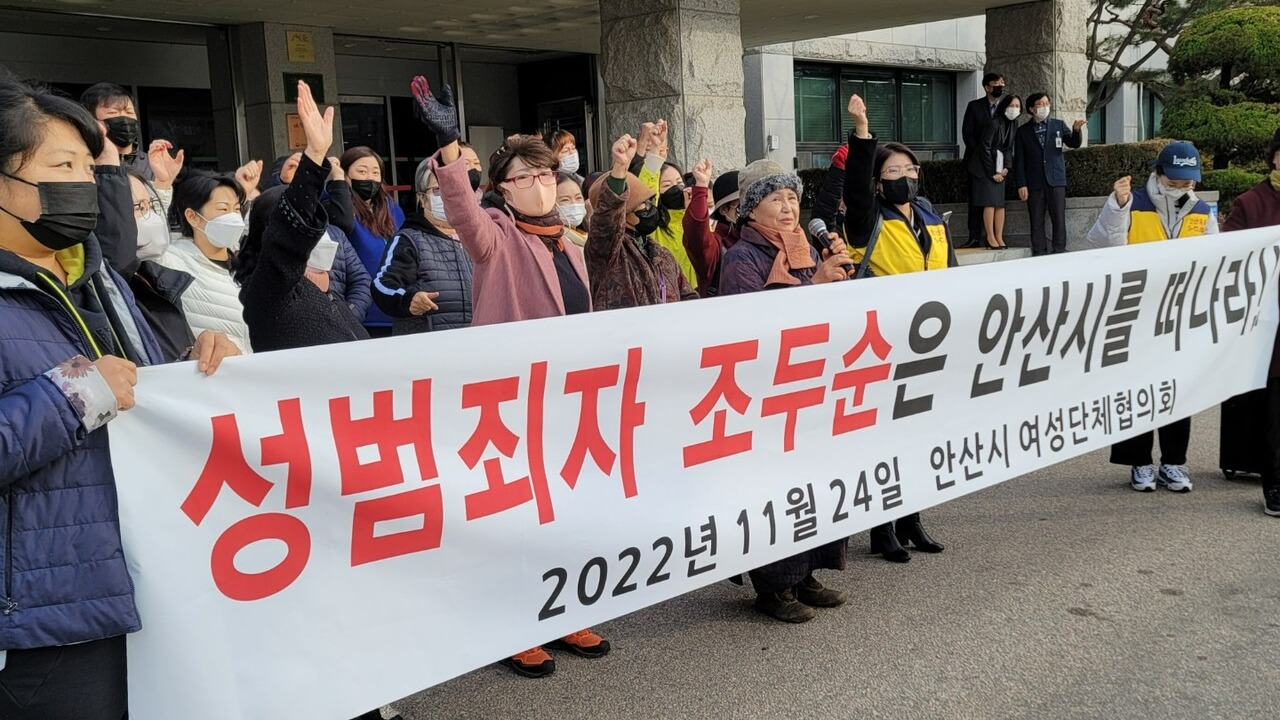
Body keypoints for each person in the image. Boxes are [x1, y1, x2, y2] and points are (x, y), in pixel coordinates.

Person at [0, 76, 233, 720]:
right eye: (62, 165)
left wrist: (194, 368)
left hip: (140, 575)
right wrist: (73, 397)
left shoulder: (96, 273)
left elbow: (141, 389)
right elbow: (89, 394)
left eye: (88, 163)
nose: (82, 182)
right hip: (43, 617)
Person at [413, 74, 609, 677]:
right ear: (502, 188)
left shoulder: (567, 242)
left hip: (567, 397)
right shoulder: (495, 235)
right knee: (515, 516)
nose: (539, 185)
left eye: (545, 174)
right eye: (522, 177)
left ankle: (561, 609)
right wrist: (451, 150)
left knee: (564, 510)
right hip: (512, 401)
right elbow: (464, 215)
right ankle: (513, 626)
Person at [717, 158, 853, 623]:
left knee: (813, 481)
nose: (787, 206)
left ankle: (807, 572)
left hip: (811, 384)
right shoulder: (741, 258)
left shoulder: (805, 248)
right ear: (752, 209)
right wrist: (813, 285)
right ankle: (773, 586)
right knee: (773, 487)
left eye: (792, 197)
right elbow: (751, 328)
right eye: (775, 198)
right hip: (766, 395)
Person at [841, 93, 953, 562]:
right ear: (877, 182)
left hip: (929, 341)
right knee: (882, 440)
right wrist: (863, 131)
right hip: (883, 344)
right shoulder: (869, 219)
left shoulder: (928, 214)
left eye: (910, 172)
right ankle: (881, 530)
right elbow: (853, 191)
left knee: (917, 437)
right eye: (893, 173)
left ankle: (912, 521)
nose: (904, 179)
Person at [1085, 141, 1218, 493]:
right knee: (1137, 388)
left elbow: (1215, 257)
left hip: (1179, 314)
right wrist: (1118, 207)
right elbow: (1103, 245)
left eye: (1187, 182)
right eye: (1174, 181)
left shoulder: (1202, 210)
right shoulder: (1133, 203)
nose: (1181, 187)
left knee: (1178, 389)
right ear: (1158, 175)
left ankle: (1174, 462)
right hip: (1137, 311)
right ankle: (1140, 462)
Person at [233, 82, 370, 354]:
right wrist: (315, 156)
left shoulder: (326, 294)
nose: (315, 236)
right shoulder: (269, 293)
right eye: (306, 225)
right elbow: (285, 245)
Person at [1222, 128, 1280, 516]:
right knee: (1275, 412)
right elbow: (1225, 259)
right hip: (1269, 323)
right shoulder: (1250, 203)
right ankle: (1274, 485)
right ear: (1273, 157)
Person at [585, 134, 698, 310]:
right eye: (642, 204)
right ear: (623, 212)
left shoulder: (663, 255)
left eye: (651, 202)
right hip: (627, 336)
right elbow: (607, 218)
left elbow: (688, 297)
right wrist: (620, 168)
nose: (650, 208)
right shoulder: (606, 251)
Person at [263, 150, 373, 322]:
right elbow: (268, 205)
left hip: (338, 328)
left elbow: (361, 281)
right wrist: (282, 180)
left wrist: (348, 317)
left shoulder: (334, 234)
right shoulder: (267, 235)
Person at [372, 158, 474, 334]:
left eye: (453, 187)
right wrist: (408, 299)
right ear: (422, 198)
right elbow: (382, 285)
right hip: (430, 351)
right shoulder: (409, 240)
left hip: (480, 346)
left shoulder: (479, 238)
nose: (447, 195)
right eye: (437, 190)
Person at [158, 169, 253, 354]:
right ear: (193, 217)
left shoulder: (245, 264)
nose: (233, 217)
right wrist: (161, 189)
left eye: (236, 209)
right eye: (223, 209)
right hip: (213, 372)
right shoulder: (172, 261)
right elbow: (149, 246)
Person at [339, 146, 405, 337]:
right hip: (360, 311)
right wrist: (338, 187)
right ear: (346, 175)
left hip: (394, 309)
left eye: (375, 172)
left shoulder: (392, 209)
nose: (369, 177)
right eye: (361, 171)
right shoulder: (342, 210)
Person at [1014, 93, 1086, 256]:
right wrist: (1021, 184)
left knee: (1058, 218)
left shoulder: (1058, 125)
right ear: (1032, 109)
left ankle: (1059, 251)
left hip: (1056, 180)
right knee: (1036, 220)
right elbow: (1019, 160)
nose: (1045, 107)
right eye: (1041, 104)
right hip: (1034, 182)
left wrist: (1076, 131)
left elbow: (1074, 143)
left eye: (1047, 103)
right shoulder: (1022, 132)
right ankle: (1039, 252)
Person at [970, 94, 1022, 249]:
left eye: (1017, 106)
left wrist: (1006, 168)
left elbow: (1008, 148)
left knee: (1000, 204)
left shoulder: (1013, 124)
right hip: (984, 169)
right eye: (1011, 106)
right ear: (1004, 107)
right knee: (990, 203)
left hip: (1000, 168)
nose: (1014, 109)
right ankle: (990, 237)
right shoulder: (993, 123)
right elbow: (984, 149)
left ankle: (999, 237)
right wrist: (993, 172)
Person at [961, 72, 1006, 248]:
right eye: (996, 84)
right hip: (976, 162)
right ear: (987, 87)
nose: (1000, 87)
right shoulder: (974, 106)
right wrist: (982, 153)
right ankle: (974, 237)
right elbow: (967, 134)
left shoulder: (1006, 107)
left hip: (999, 162)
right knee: (975, 201)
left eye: (1002, 83)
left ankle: (996, 236)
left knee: (996, 201)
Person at [681, 161, 732, 297]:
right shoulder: (718, 243)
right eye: (738, 206)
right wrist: (701, 188)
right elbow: (699, 238)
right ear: (724, 210)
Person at [556, 172, 589, 247]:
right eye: (565, 200)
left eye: (578, 198)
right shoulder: (557, 243)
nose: (574, 204)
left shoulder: (587, 236)